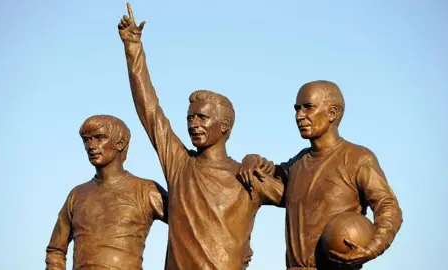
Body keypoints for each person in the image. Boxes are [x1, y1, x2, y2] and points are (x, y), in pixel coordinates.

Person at [118, 3, 284, 269]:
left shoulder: (248, 176)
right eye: (190, 118)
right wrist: (133, 48)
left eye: (202, 117)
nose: (194, 124)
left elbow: (299, 197)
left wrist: (261, 161)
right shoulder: (180, 165)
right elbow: (149, 110)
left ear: (225, 125)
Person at [238, 80, 403, 269]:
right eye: (297, 109)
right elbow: (268, 173)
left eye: (308, 107)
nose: (300, 116)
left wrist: (374, 247)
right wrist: (253, 159)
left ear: (332, 113)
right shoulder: (297, 164)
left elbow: (388, 206)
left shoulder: (358, 158)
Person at [45, 115, 167, 270]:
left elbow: (187, 224)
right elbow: (56, 250)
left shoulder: (146, 190)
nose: (91, 146)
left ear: (120, 143)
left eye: (99, 138)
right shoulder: (77, 195)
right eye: (86, 140)